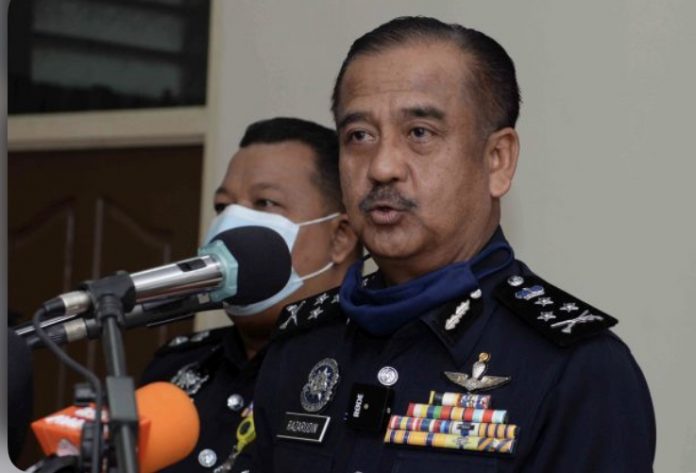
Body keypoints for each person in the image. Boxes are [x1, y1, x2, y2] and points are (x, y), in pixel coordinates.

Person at [252, 17, 655, 472]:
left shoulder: (577, 369)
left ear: (497, 160)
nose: (382, 167)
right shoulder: (301, 345)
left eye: (419, 133)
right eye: (359, 136)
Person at [141, 117, 360, 472]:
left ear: (340, 238)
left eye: (265, 203)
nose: (231, 225)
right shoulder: (176, 367)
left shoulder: (368, 368)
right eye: (222, 206)